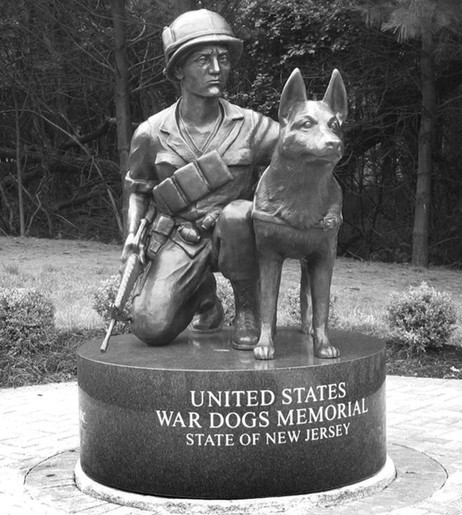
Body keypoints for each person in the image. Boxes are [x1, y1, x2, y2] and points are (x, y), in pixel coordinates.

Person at [121, 9, 278, 350]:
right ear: (178, 68)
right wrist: (133, 236)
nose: (217, 69)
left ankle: (248, 310)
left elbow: (293, 154)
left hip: (234, 235)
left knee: (238, 214)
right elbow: (138, 191)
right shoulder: (151, 133)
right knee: (149, 327)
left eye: (223, 58)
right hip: (182, 239)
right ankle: (205, 298)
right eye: (203, 59)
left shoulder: (251, 126)